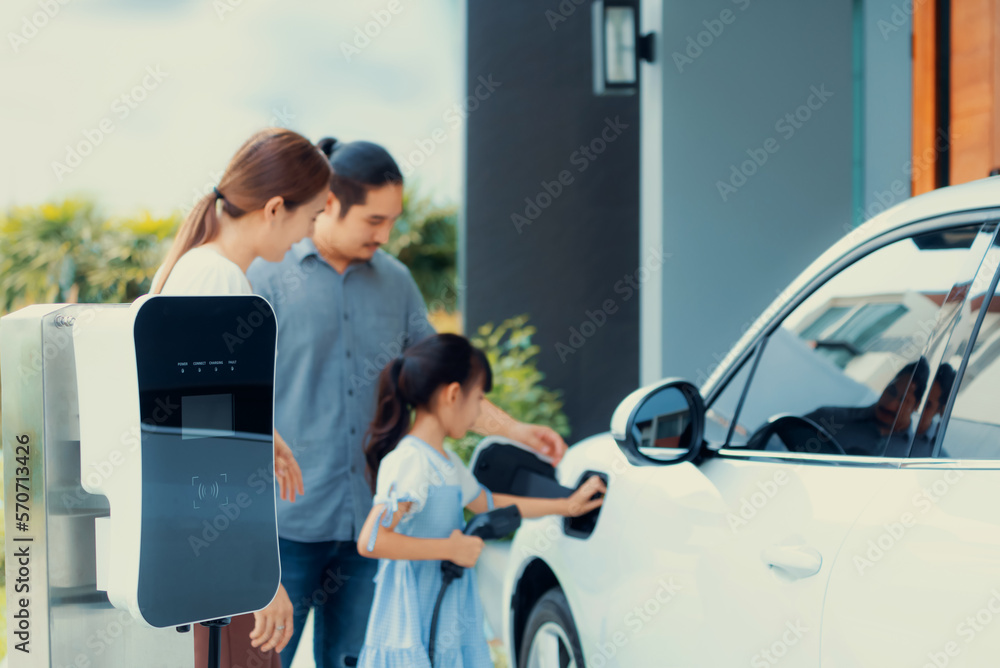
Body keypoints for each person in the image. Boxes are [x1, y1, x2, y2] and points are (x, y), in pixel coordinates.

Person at [246, 137, 570, 668]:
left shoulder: (396, 283)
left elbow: (444, 385)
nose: (387, 234)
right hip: (284, 527)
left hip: (373, 524)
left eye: (393, 220)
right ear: (329, 203)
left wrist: (517, 431)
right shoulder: (265, 277)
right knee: (263, 662)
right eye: (374, 220)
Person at [151, 127, 332, 668]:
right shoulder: (221, 283)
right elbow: (206, 458)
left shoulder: (196, 269)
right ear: (277, 208)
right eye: (312, 216)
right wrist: (259, 577)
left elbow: (198, 421)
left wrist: (261, 434)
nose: (308, 235)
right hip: (221, 564)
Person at [355, 333, 605, 667]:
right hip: (413, 618)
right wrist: (449, 549)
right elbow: (371, 540)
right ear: (453, 394)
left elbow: (489, 502)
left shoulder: (444, 461)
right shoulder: (411, 461)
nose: (478, 415)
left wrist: (567, 505)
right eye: (479, 399)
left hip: (444, 610)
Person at [804, 358, 930, 457]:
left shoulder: (918, 457)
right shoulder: (827, 419)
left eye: (903, 400)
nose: (890, 405)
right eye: (891, 392)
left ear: (916, 406)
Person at [910, 363, 957, 458]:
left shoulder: (938, 460)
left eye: (926, 405)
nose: (915, 408)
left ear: (941, 410)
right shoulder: (881, 422)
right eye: (915, 398)